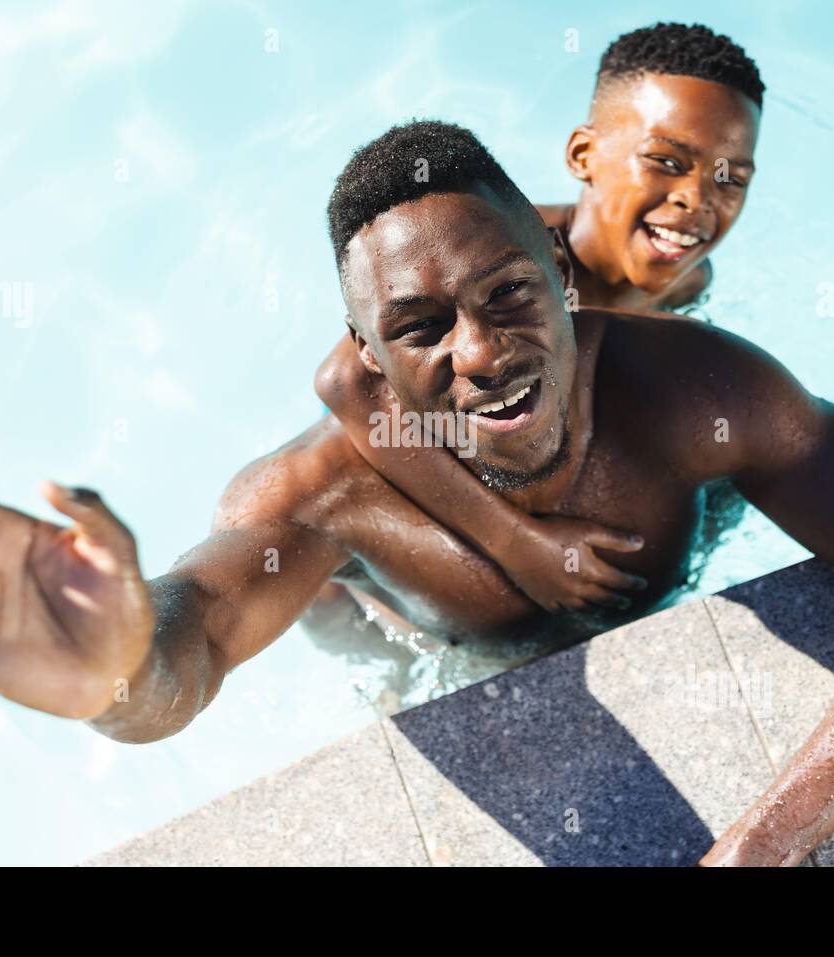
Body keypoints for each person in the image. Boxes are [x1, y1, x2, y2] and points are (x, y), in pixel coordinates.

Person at [0, 121, 834, 866]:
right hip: (434, 649)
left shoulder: (690, 395)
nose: (478, 351)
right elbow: (186, 648)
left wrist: (766, 842)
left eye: (509, 295)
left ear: (562, 276)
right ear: (366, 357)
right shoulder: (321, 495)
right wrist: (115, 674)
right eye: (418, 328)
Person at [317, 23, 762, 611]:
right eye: (665, 161)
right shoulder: (508, 260)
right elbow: (344, 380)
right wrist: (515, 543)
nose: (695, 198)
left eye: (731, 177)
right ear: (584, 155)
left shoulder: (689, 284)